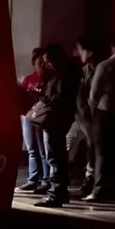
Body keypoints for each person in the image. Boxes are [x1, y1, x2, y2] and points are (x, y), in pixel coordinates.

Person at [34, 44, 81, 208]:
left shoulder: (64, 75)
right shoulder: (66, 72)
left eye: (48, 61)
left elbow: (60, 98)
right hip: (60, 118)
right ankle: (59, 192)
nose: (47, 65)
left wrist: (42, 98)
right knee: (57, 156)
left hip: (56, 119)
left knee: (55, 156)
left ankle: (56, 194)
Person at [88, 33, 115, 204]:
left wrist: (93, 108)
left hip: (104, 112)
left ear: (112, 46)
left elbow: (93, 94)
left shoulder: (105, 65)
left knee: (101, 153)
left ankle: (98, 190)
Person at [67, 37, 99, 199]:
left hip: (93, 117)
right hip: (81, 116)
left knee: (92, 149)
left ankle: (89, 179)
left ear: (90, 52)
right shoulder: (85, 69)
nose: (78, 53)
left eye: (81, 50)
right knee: (70, 143)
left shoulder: (100, 69)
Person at [16, 48, 50, 193]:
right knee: (31, 150)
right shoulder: (29, 80)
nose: (41, 66)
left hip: (41, 118)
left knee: (44, 150)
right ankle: (32, 179)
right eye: (39, 63)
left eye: (43, 63)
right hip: (28, 117)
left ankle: (47, 180)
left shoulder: (49, 80)